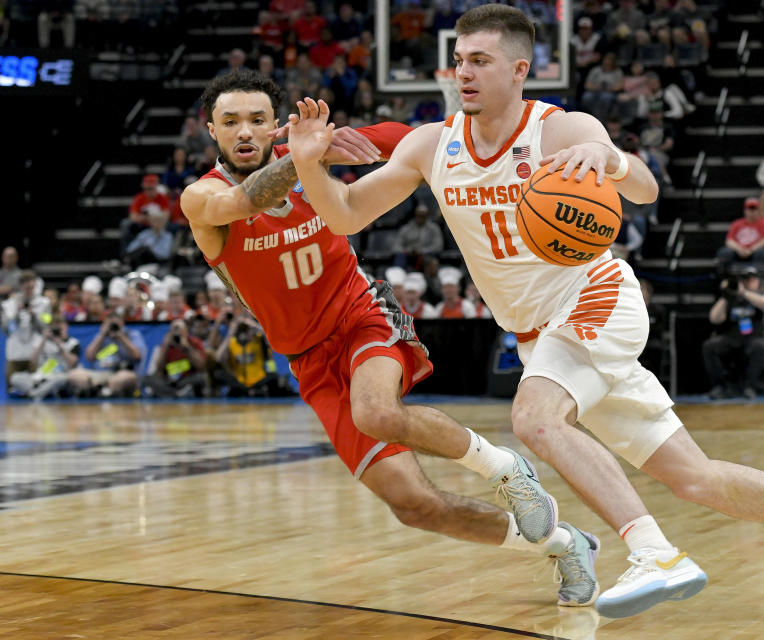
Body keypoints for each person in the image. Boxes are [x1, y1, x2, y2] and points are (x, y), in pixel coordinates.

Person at [275, 7, 764, 617]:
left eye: (480, 61)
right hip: (539, 334)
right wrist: (308, 161)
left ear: (519, 70)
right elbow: (347, 213)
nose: (464, 73)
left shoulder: (561, 129)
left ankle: (654, 552)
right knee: (694, 477)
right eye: (459, 61)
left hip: (595, 295)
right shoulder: (429, 146)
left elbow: (647, 189)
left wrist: (611, 160)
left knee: (536, 420)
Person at [177, 69, 596, 607]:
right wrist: (310, 156)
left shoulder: (311, 153)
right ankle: (565, 545)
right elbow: (248, 201)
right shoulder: (202, 197)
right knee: (415, 506)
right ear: (211, 131)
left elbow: (420, 139)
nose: (244, 131)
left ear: (274, 125)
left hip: (360, 312)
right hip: (306, 359)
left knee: (375, 411)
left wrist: (506, 148)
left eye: (257, 119)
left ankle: (506, 469)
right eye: (230, 121)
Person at [703, 268, 764, 399]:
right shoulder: (729, 298)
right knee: (709, 346)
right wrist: (726, 294)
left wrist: (744, 292)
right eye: (745, 279)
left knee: (760, 346)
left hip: (753, 338)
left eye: (752, 279)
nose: (748, 282)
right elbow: (714, 318)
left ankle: (750, 386)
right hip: (731, 338)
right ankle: (720, 386)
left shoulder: (761, 295)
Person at [67, 312, 146, 398]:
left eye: (115, 324)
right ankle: (98, 389)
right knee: (74, 375)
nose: (112, 327)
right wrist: (102, 334)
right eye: (109, 324)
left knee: (124, 378)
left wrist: (121, 337)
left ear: (122, 324)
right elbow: (89, 357)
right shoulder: (101, 336)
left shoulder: (132, 334)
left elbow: (136, 356)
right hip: (99, 373)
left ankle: (102, 390)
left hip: (120, 372)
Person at [143, 319, 208, 398]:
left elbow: (201, 365)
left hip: (187, 379)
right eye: (174, 329)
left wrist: (186, 347)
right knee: (147, 379)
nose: (177, 332)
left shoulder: (194, 342)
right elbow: (159, 368)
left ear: (186, 331)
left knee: (200, 378)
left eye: (179, 329)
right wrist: (166, 347)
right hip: (170, 380)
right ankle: (175, 393)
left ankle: (168, 394)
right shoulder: (167, 344)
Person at [716, 197, 764, 272]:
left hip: (755, 252)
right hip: (738, 252)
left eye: (754, 209)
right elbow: (729, 241)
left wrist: (751, 250)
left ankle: (758, 278)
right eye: (749, 209)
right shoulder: (737, 223)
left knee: (763, 253)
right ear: (745, 210)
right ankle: (726, 279)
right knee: (724, 252)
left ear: (758, 211)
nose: (752, 212)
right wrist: (740, 249)